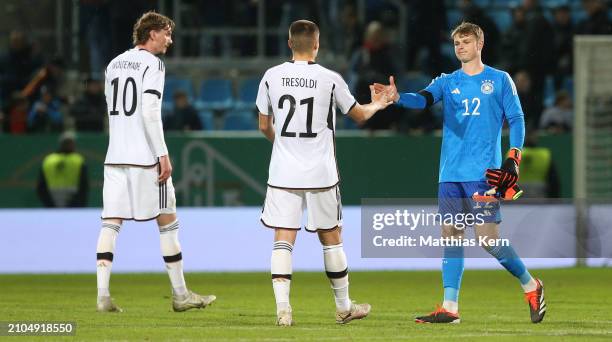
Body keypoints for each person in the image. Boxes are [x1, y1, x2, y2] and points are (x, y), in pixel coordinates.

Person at [374, 22, 546, 324]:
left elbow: (517, 120)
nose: (460, 47)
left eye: (466, 41)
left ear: (480, 44)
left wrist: (513, 158)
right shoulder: (446, 81)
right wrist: (397, 97)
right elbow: (423, 99)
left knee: (488, 240)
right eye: (456, 42)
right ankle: (450, 307)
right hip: (450, 173)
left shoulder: (500, 80)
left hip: (484, 175)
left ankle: (531, 285)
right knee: (451, 236)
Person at [256, 19, 393, 326]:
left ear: (290, 43)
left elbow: (264, 125)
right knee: (331, 237)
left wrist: (285, 145)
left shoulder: (271, 76)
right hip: (320, 172)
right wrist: (379, 104)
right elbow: (358, 115)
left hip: (283, 171)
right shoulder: (329, 79)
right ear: (317, 44)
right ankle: (344, 307)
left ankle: (283, 311)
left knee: (283, 237)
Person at [96, 11, 215, 313]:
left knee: (111, 222)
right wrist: (162, 153)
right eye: (167, 34)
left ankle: (102, 295)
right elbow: (149, 111)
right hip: (144, 158)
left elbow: (113, 112)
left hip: (115, 157)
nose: (170, 40)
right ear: (152, 34)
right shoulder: (153, 64)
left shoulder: (112, 64)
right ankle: (180, 294)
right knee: (168, 221)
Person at [36, 132, 88, 207]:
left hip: (54, 199)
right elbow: (83, 186)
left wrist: (49, 204)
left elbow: (41, 187)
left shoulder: (49, 160)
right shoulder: (78, 160)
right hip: (72, 201)